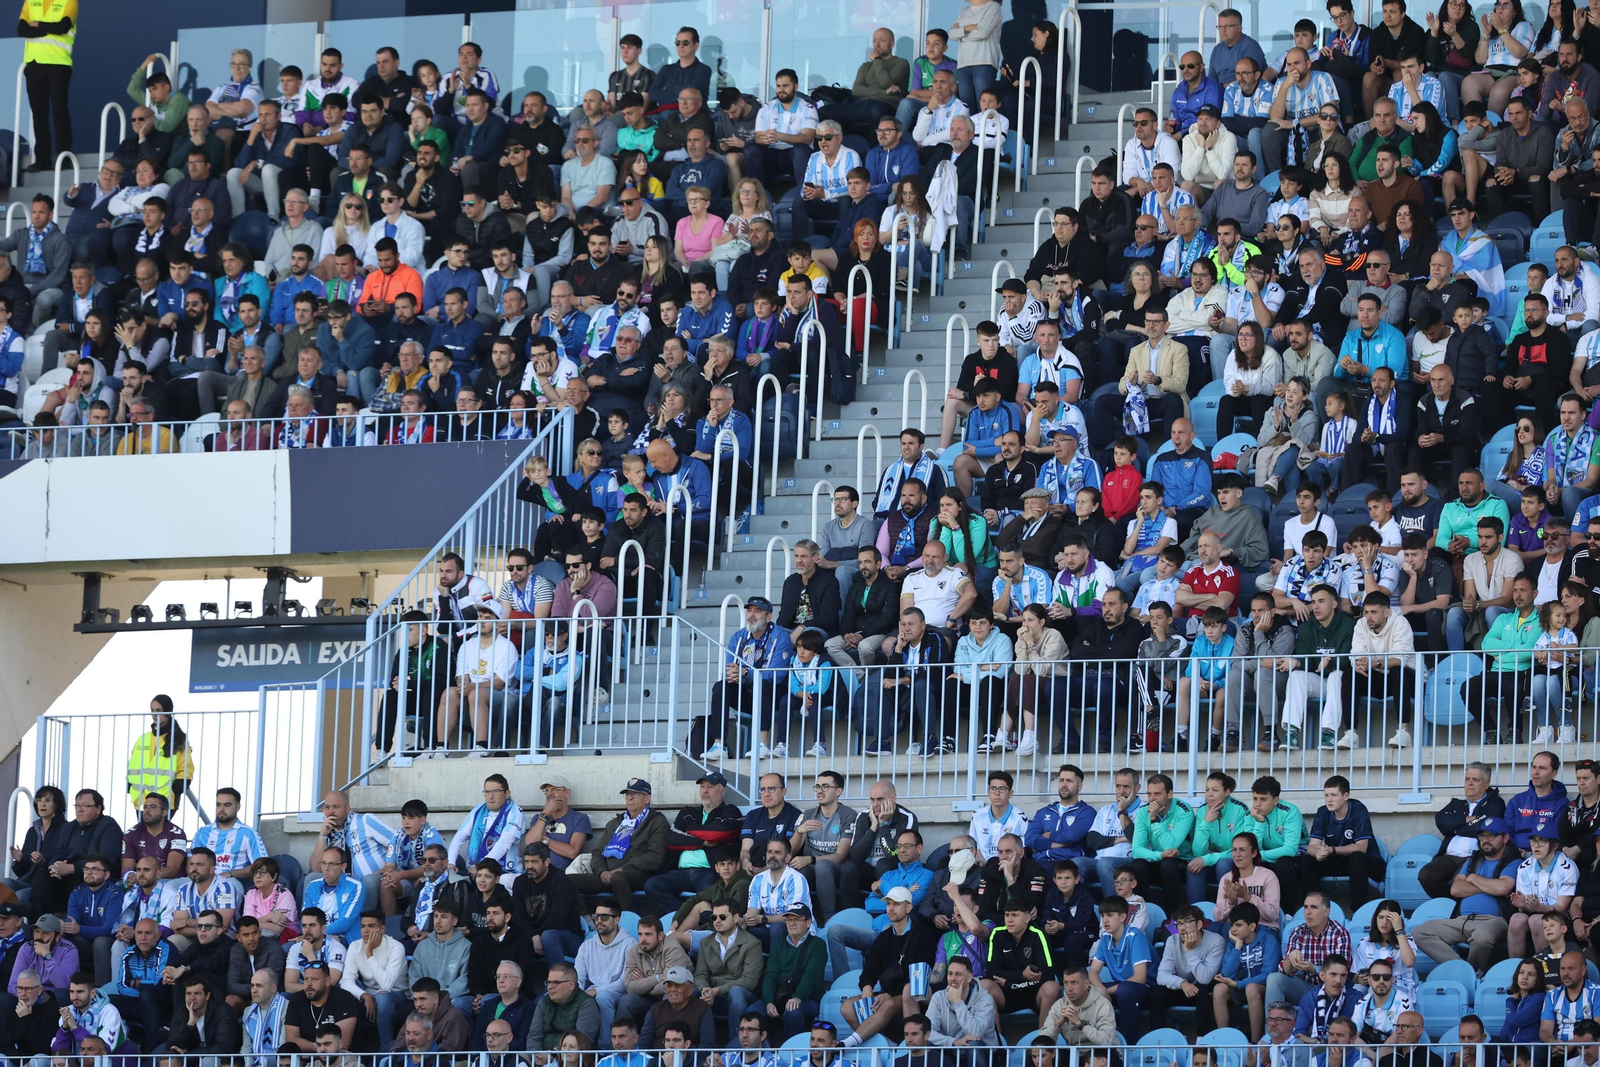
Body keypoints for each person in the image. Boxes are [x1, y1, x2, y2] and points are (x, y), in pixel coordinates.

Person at [1412, 817, 1519, 974]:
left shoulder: (1513, 861)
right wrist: (1490, 886)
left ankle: (1473, 971)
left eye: (1491, 836)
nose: (1485, 840)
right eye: (1482, 836)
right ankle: (1463, 969)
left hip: (1493, 921)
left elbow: (1503, 888)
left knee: (1481, 938)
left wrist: (1474, 878)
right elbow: (1456, 889)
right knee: (1418, 932)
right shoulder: (1472, 861)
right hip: (1462, 920)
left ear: (1505, 838)